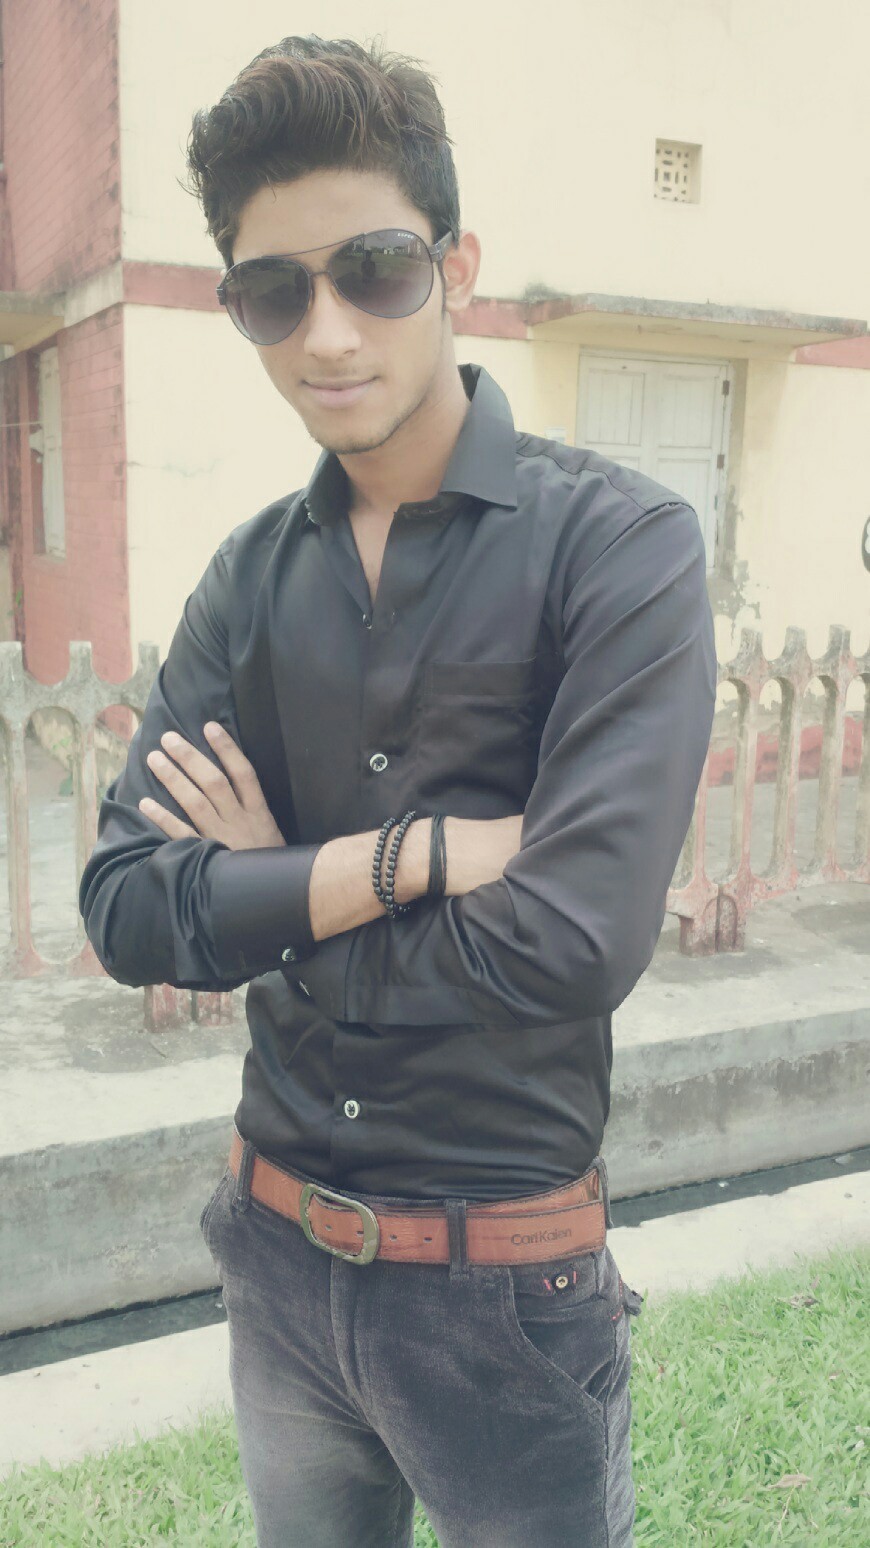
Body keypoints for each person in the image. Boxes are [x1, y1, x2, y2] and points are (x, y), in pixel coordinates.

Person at [79, 33, 717, 1548]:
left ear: (453, 267)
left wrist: (266, 894)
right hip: (274, 1252)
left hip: (501, 1285)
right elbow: (122, 907)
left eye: (372, 270)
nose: (327, 332)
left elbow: (572, 942)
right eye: (271, 291)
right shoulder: (246, 580)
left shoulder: (617, 549)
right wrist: (405, 859)